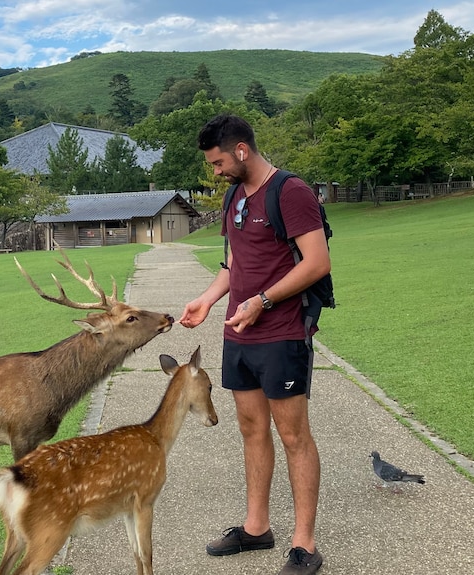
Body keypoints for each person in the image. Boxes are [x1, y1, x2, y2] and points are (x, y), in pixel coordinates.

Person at [180, 114, 331, 575]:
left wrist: (262, 301)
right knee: (250, 430)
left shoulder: (291, 192)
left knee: (293, 435)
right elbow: (234, 263)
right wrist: (208, 300)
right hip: (237, 333)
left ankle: (303, 544)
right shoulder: (232, 196)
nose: (216, 171)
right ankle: (256, 527)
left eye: (219, 161)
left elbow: (317, 262)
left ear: (241, 150)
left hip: (282, 333)